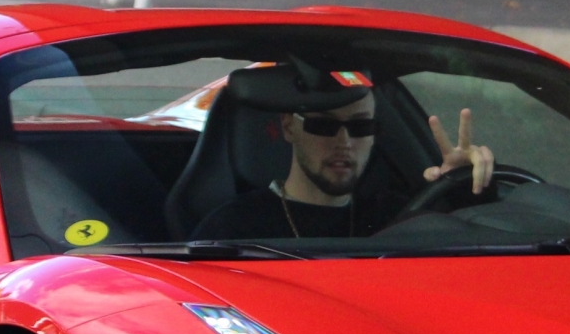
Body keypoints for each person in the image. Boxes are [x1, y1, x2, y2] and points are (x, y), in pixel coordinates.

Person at [192, 67, 495, 242]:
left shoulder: (399, 217)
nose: (345, 141)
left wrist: (467, 187)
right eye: (323, 125)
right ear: (289, 127)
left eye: (361, 126)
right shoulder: (233, 228)